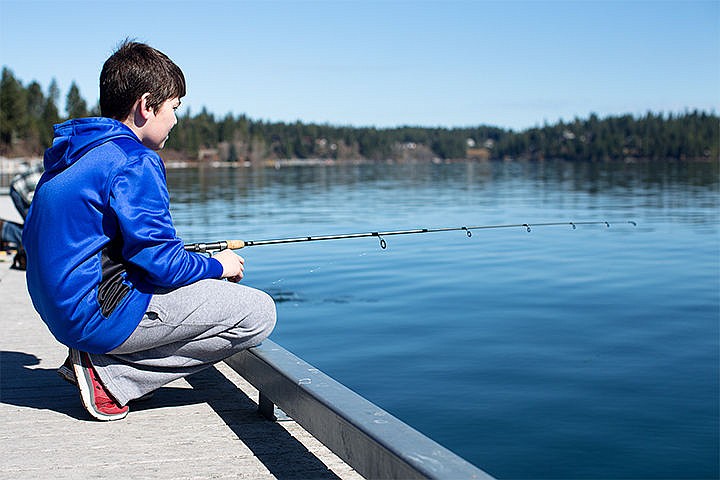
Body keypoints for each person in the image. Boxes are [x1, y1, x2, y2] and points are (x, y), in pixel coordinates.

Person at [23, 40, 276, 421]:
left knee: (204, 285)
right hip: (95, 315)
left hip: (60, 310)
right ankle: (113, 376)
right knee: (258, 312)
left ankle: (103, 360)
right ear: (146, 106)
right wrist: (218, 266)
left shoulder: (76, 154)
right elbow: (161, 263)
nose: (175, 120)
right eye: (174, 107)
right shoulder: (133, 159)